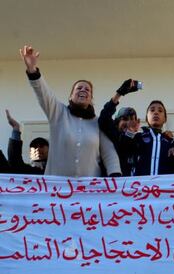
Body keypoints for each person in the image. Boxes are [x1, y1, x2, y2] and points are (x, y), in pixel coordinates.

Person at [20, 45, 121, 177]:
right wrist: (32, 70)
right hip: (57, 189)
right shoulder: (58, 113)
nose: (83, 90)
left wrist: (115, 176)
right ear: (70, 96)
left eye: (87, 89)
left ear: (90, 99)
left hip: (89, 190)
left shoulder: (98, 123)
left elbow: (109, 153)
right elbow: (43, 93)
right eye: (79, 88)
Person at [99, 81, 174, 176]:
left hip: (164, 192)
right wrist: (130, 133)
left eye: (160, 111)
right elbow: (123, 148)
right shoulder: (137, 138)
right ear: (146, 118)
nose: (156, 112)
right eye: (152, 110)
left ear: (165, 119)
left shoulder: (170, 143)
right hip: (139, 192)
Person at [5, 109, 48, 174]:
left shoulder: (60, 168)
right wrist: (16, 128)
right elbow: (15, 163)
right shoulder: (30, 171)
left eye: (41, 145)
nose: (38, 149)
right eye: (34, 147)